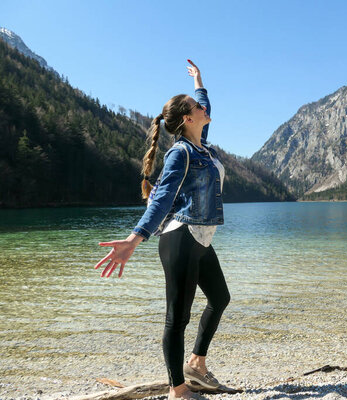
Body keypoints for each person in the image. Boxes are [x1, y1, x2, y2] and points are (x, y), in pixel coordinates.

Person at [94, 59, 230, 400]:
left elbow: (206, 106)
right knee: (178, 317)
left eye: (200, 104)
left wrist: (199, 82)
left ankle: (196, 365)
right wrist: (133, 239)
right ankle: (177, 389)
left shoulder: (203, 146)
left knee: (220, 298)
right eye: (197, 106)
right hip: (180, 239)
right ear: (188, 118)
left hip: (199, 240)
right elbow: (160, 200)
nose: (203, 108)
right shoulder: (181, 154)